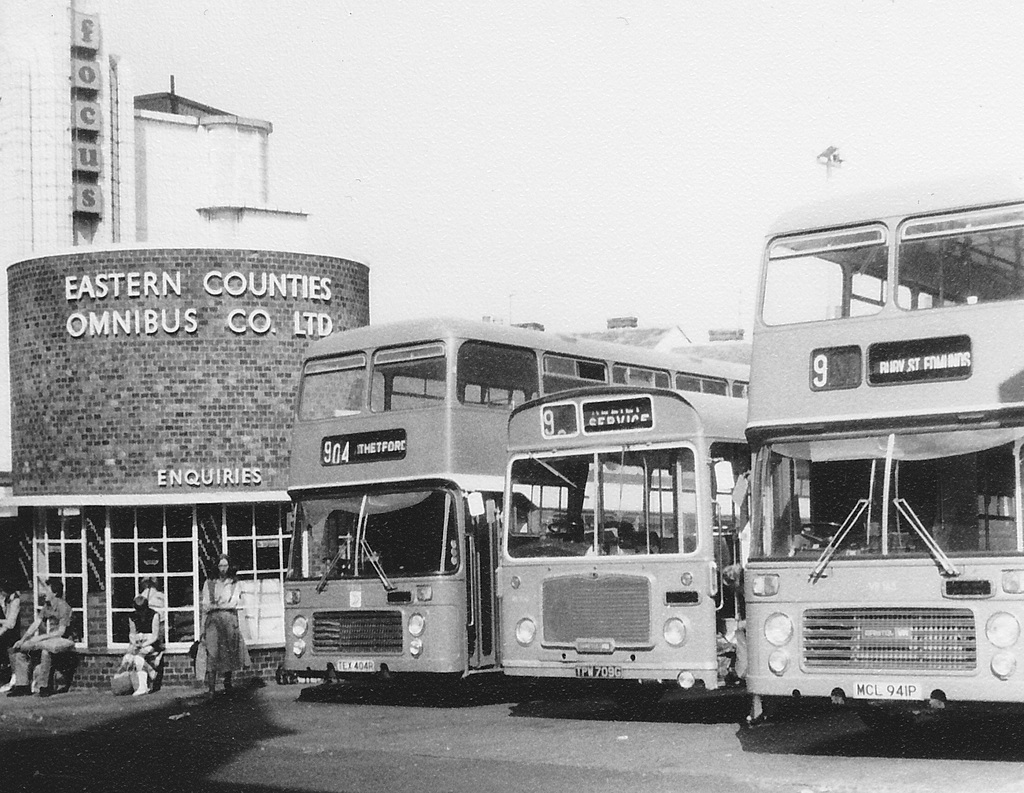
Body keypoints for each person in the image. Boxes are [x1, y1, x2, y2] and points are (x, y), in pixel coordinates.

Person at [7, 577, 75, 698]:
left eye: (46, 591)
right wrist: (23, 640)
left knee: (45, 652)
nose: (43, 594)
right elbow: (36, 624)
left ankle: (44, 687)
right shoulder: (47, 606)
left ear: (55, 593)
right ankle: (22, 685)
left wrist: (40, 638)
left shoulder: (64, 607)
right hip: (46, 639)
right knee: (20, 650)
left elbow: (61, 632)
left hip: (61, 640)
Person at [198, 554, 251, 695]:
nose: (223, 569)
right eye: (220, 565)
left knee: (229, 653)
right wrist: (202, 628)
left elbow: (234, 602)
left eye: (225, 565)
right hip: (213, 622)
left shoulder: (234, 583)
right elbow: (206, 605)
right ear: (216, 566)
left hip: (229, 621)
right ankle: (211, 689)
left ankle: (228, 684)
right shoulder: (209, 583)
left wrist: (218, 605)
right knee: (212, 654)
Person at [117, 594, 163, 696]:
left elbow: (155, 636)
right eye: (138, 610)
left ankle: (143, 687)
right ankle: (148, 675)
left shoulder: (154, 615)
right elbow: (132, 633)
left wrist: (143, 645)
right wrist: (134, 643)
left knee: (138, 658)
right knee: (128, 658)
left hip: (151, 644)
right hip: (139, 642)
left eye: (141, 610)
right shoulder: (132, 617)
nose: (140, 613)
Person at [0, 580, 25, 692]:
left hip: (15, 632)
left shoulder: (15, 601)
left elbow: (11, 623)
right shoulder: (4, 600)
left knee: (10, 645)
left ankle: (14, 677)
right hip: (6, 630)